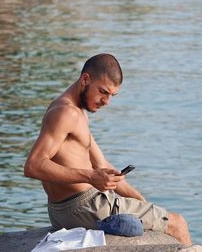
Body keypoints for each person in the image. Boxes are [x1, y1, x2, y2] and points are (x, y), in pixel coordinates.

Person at [24, 53, 192, 245]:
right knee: (177, 223)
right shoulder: (65, 112)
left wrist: (140, 201)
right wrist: (90, 177)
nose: (107, 101)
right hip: (86, 207)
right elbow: (34, 165)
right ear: (86, 79)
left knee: (147, 216)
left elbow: (100, 163)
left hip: (68, 210)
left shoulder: (76, 111)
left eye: (112, 95)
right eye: (103, 91)